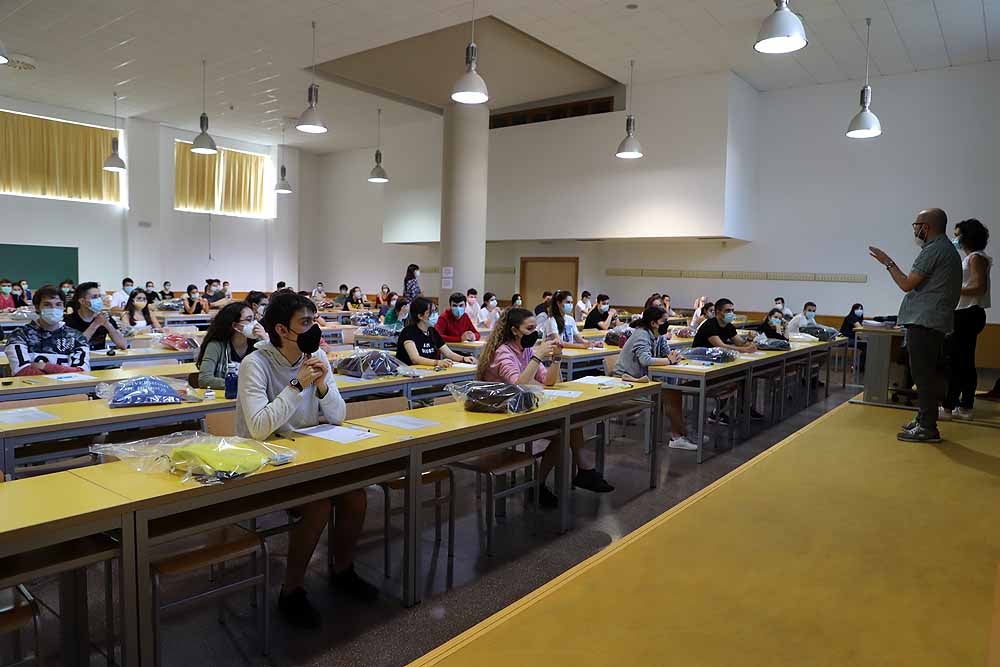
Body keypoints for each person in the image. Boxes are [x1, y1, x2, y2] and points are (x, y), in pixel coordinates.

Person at [236, 291, 375, 627]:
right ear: (282, 330)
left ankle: (342, 570)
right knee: (318, 505)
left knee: (356, 496)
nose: (314, 329)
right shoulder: (255, 364)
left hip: (310, 455)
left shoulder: (316, 357)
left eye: (314, 320)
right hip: (267, 461)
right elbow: (257, 428)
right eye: (306, 323)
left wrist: (324, 385)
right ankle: (292, 590)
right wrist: (298, 384)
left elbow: (339, 416)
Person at [477, 307, 614, 507]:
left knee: (569, 426)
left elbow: (548, 381)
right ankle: (563, 478)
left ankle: (559, 478)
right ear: (515, 330)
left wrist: (556, 357)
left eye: (536, 328)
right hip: (499, 416)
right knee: (565, 429)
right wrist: (537, 356)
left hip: (519, 409)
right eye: (529, 328)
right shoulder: (502, 352)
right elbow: (518, 385)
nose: (535, 333)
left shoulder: (527, 350)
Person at [869, 208, 962, 442]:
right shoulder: (947, 250)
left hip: (925, 321)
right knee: (927, 373)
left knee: (923, 376)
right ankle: (923, 419)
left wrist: (887, 262)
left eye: (917, 224)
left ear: (926, 227)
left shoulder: (933, 250)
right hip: (934, 321)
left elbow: (906, 284)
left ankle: (928, 427)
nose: (915, 229)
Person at [614, 306, 700, 450]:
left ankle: (681, 433)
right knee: (670, 393)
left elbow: (667, 353)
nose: (667, 323)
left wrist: (675, 356)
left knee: (674, 392)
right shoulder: (642, 335)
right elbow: (646, 360)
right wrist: (669, 360)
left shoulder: (657, 335)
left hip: (642, 378)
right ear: (654, 323)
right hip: (626, 380)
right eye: (664, 320)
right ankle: (679, 435)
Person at [942, 218, 991, 420]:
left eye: (958, 234)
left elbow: (979, 287)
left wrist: (952, 290)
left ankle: (951, 406)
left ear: (967, 236)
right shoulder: (971, 257)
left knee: (956, 361)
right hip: (966, 313)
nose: (955, 238)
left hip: (967, 313)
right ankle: (963, 406)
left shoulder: (975, 258)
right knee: (963, 361)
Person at [4, 285, 90, 375]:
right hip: (33, 388)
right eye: (47, 305)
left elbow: (82, 372)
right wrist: (64, 372)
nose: (53, 309)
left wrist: (45, 366)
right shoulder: (20, 335)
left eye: (58, 304)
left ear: (64, 307)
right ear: (37, 308)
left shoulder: (76, 337)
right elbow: (22, 371)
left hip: (68, 388)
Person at [196, 301, 265, 389]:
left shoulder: (258, 345)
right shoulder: (216, 346)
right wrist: (242, 385)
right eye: (249, 320)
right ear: (235, 325)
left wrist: (266, 340)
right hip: (228, 398)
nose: (255, 324)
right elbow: (204, 380)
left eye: (254, 319)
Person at [396, 297, 474, 367]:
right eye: (431, 312)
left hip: (428, 372)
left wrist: (463, 358)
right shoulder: (408, 332)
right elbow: (415, 359)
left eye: (435, 311)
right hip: (410, 375)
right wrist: (437, 362)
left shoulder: (432, 331)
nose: (435, 315)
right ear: (420, 316)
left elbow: (449, 353)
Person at [65, 282, 128, 350]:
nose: (99, 300)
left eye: (99, 296)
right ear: (82, 301)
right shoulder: (69, 321)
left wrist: (107, 324)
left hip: (99, 359)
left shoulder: (104, 317)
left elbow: (123, 345)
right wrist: (95, 324)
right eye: (94, 297)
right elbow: (73, 346)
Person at [692, 298, 757, 352]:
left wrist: (750, 339)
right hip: (699, 356)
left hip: (715, 355)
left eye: (732, 310)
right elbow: (720, 346)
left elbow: (740, 344)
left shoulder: (728, 325)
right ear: (718, 311)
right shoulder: (710, 325)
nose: (731, 313)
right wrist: (745, 350)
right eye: (727, 311)